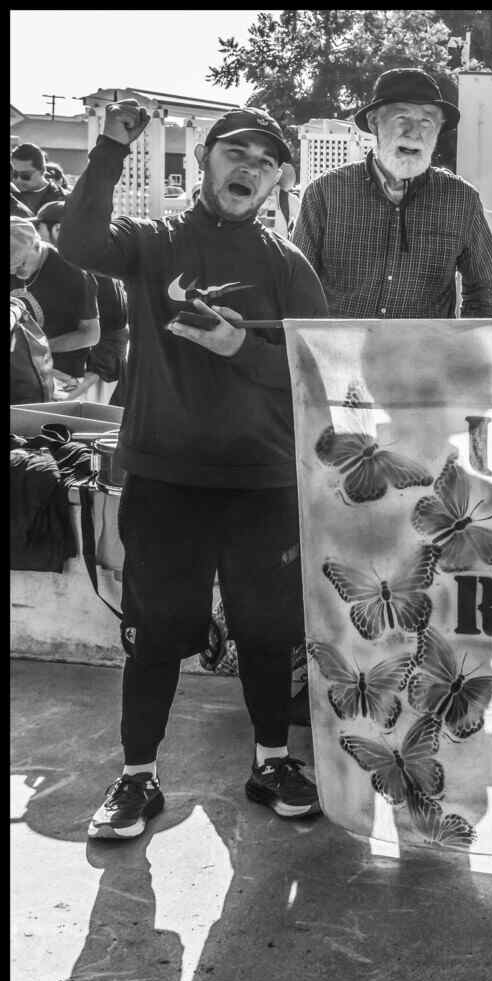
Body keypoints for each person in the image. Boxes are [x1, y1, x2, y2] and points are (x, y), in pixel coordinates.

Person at [59, 100, 329, 840]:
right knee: (155, 631)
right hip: (164, 477)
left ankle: (272, 760)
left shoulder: (286, 262)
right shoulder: (156, 241)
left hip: (260, 482)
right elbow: (78, 238)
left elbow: (316, 378)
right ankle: (137, 777)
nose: (249, 168)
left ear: (278, 180)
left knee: (267, 632)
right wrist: (112, 149)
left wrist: (237, 349)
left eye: (265, 160)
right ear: (204, 162)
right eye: (234, 153)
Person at [294, 67, 492, 319]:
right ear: (373, 122)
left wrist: (467, 347)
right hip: (340, 355)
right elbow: (297, 285)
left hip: (424, 356)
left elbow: (484, 289)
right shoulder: (325, 192)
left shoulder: (461, 199)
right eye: (402, 118)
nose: (415, 132)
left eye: (427, 120)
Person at [29, 199, 128, 403]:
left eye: (38, 228)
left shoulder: (93, 269)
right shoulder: (61, 263)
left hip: (89, 378)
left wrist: (86, 381)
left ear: (58, 229)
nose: (35, 237)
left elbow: (115, 330)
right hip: (64, 373)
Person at [10, 215, 100, 396]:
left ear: (37, 245)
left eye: (20, 265)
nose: (15, 273)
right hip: (20, 367)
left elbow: (91, 334)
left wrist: (39, 347)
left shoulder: (73, 273)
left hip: (63, 373)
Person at [11, 142, 68, 216]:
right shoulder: (12, 195)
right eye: (14, 174)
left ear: (42, 171)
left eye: (25, 175)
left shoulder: (62, 199)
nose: (18, 180)